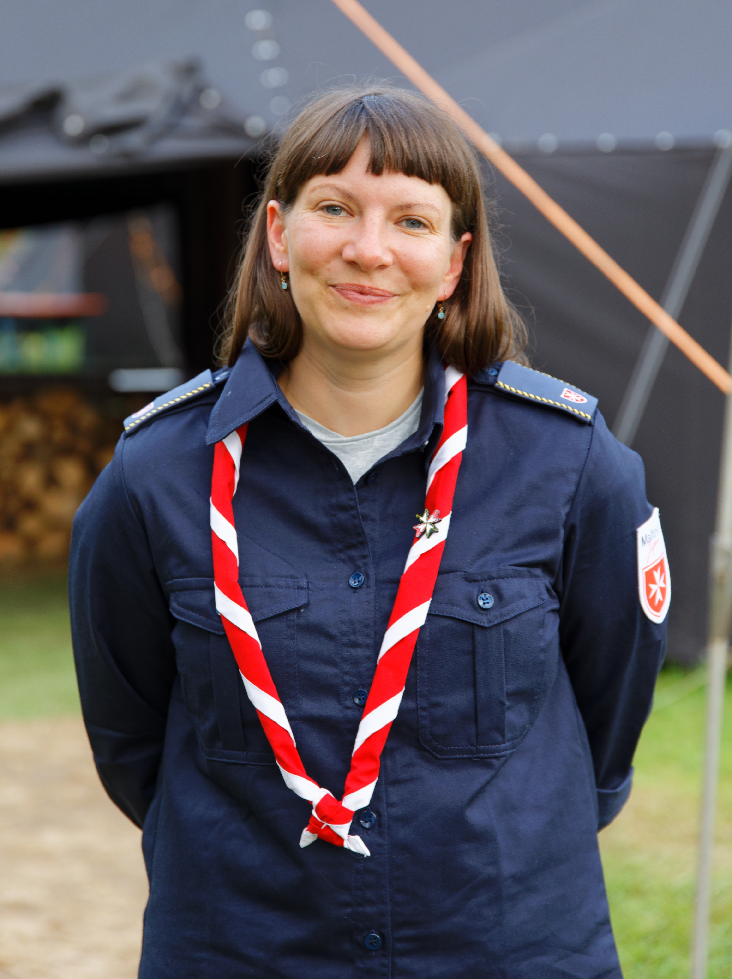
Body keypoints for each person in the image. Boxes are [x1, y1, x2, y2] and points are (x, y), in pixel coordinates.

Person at [69, 86, 668, 978]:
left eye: (412, 220)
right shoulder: (155, 472)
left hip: (505, 947)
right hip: (245, 947)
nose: (369, 249)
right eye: (336, 208)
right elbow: (132, 743)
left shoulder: (571, 461)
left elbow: (610, 717)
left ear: (455, 261)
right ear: (279, 235)